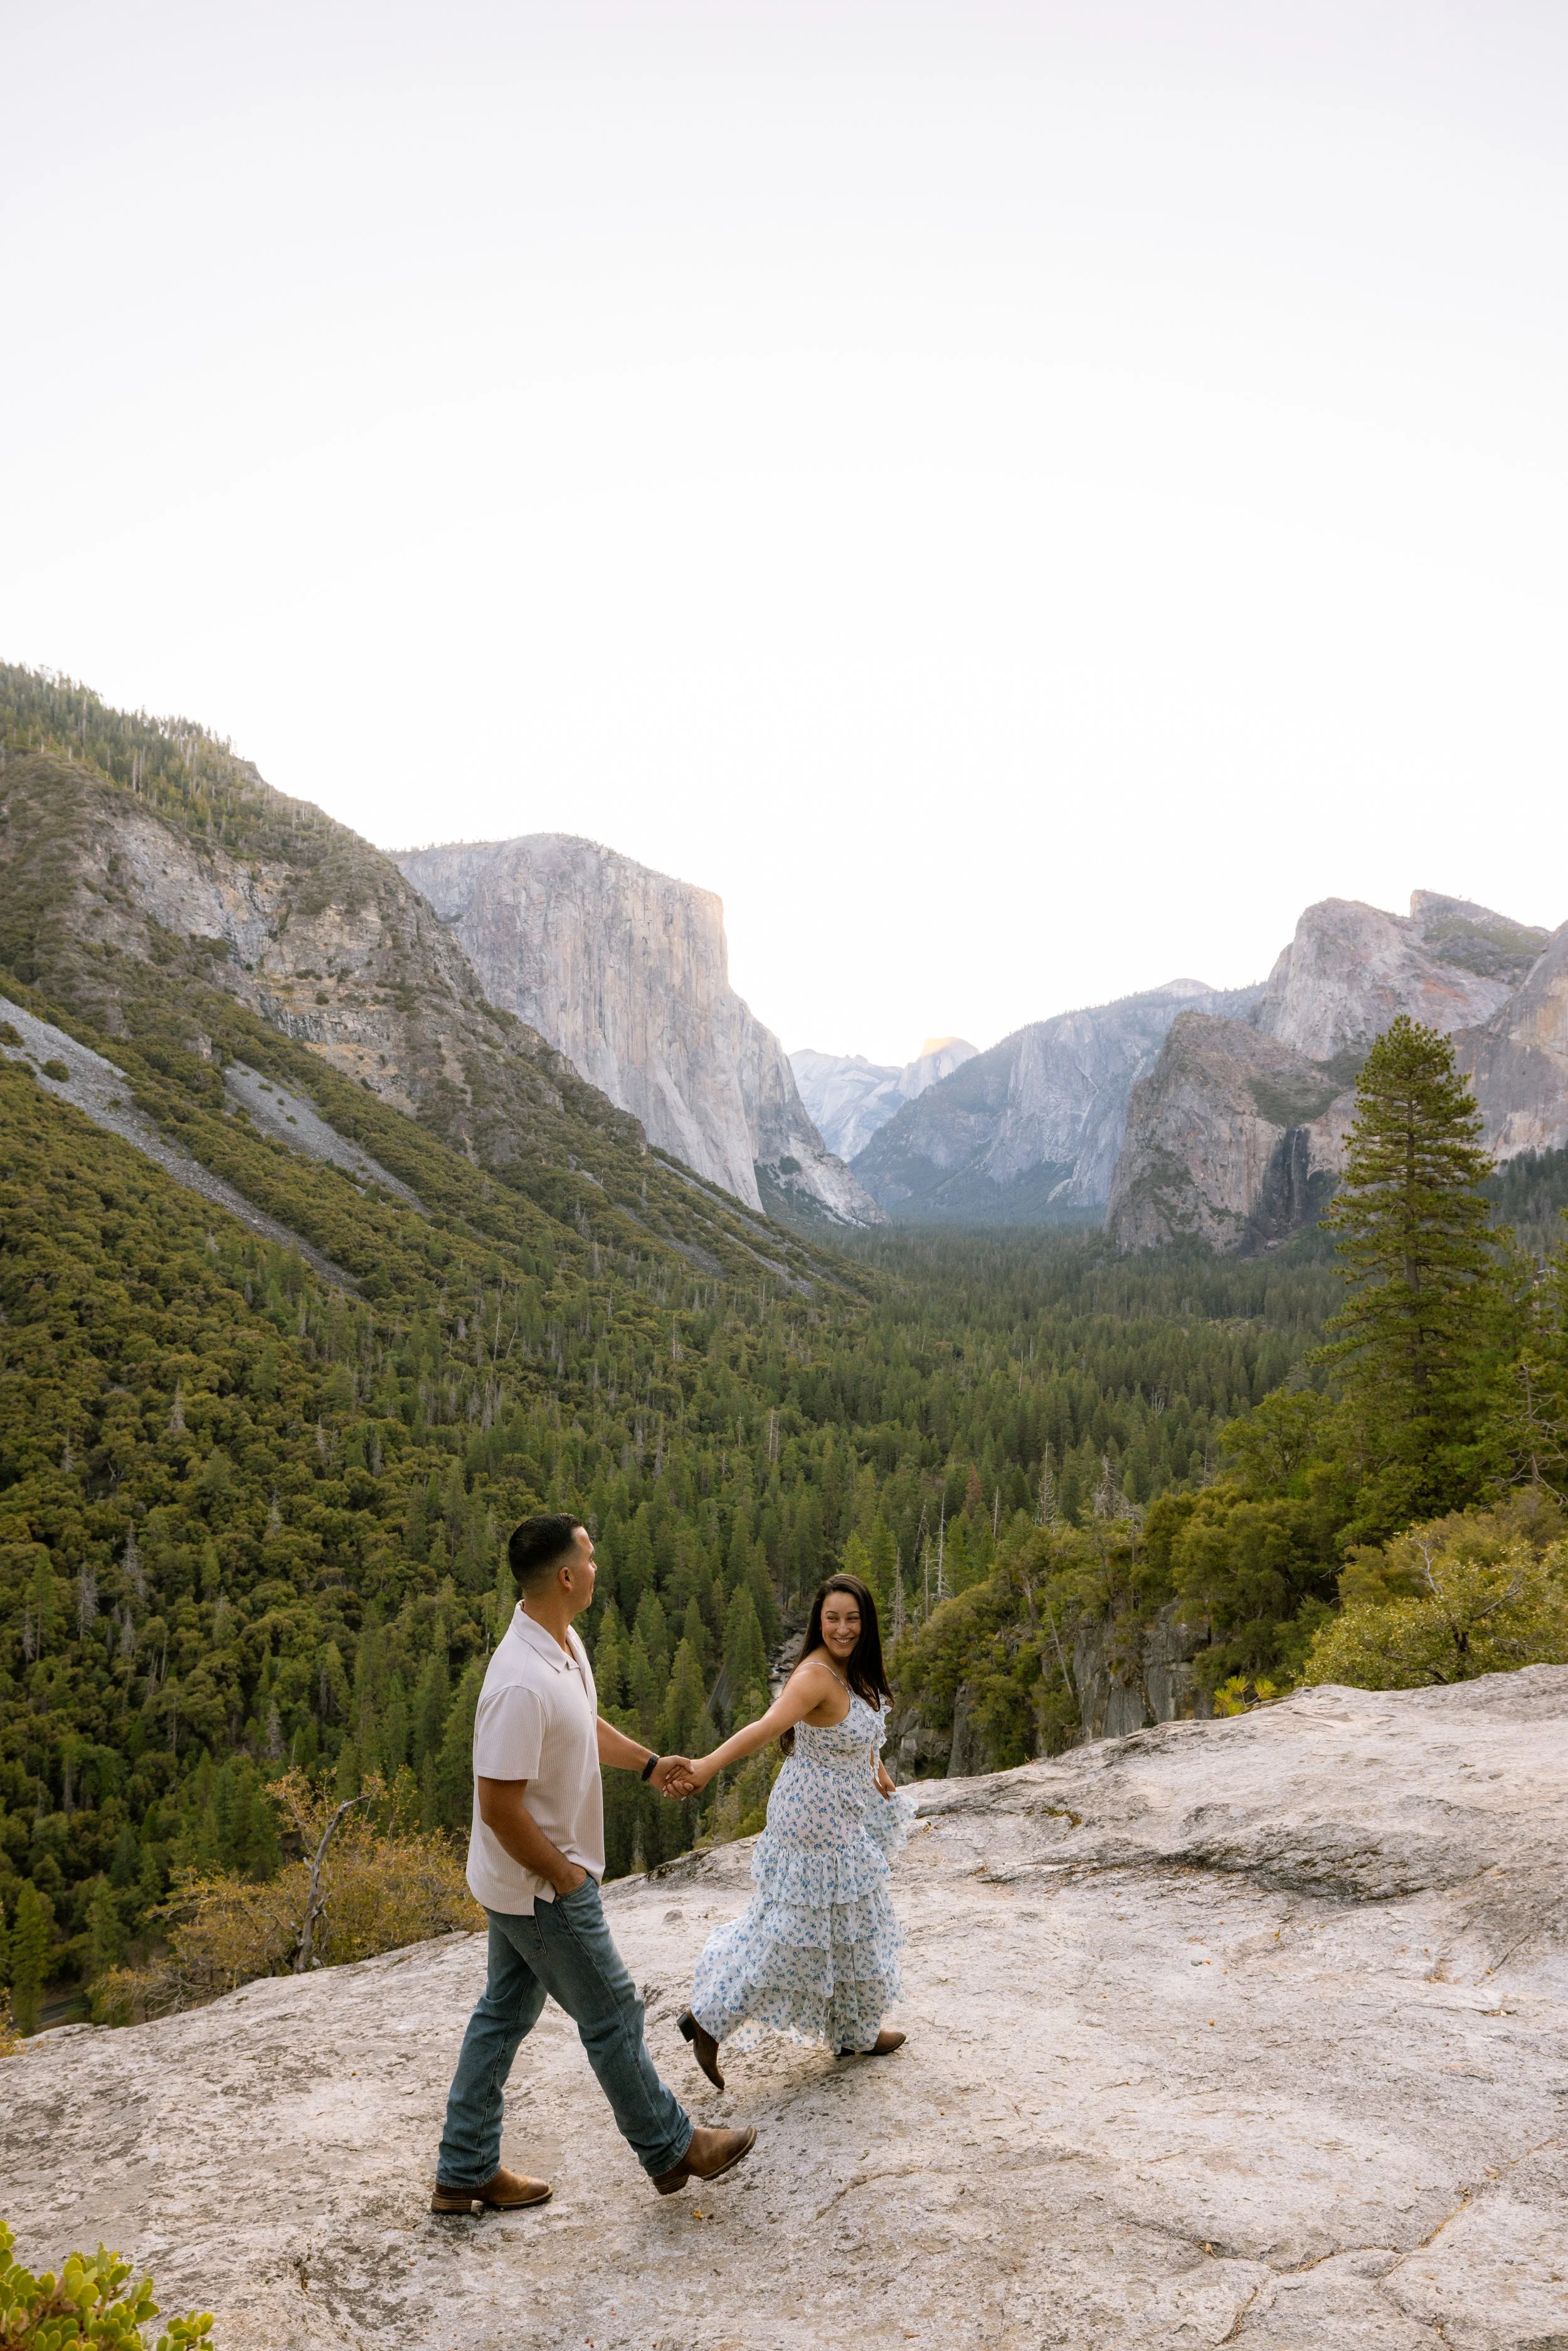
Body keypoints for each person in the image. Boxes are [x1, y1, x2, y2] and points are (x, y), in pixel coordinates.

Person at [430, 1513, 756, 2211]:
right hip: (538, 1886)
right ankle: (671, 2149)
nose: (599, 1566)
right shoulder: (518, 1681)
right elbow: (498, 1806)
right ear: (567, 1576)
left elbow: (583, 1721)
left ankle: (463, 2169)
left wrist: (646, 1764)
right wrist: (562, 1875)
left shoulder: (561, 1644)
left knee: (502, 2014)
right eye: (591, 1556)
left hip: (522, 1882)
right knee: (611, 2012)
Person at [668, 1573, 914, 2089]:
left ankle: (855, 2031)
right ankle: (710, 2021)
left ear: (866, 1622)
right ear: (817, 1622)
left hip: (843, 1813)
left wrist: (879, 1770)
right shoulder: (814, 1676)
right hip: (811, 1820)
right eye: (832, 1619)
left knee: (850, 1923)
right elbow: (766, 1726)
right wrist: (708, 1765)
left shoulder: (857, 1671)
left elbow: (861, 1733)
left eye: (852, 1618)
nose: (843, 1629)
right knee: (792, 1934)